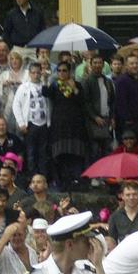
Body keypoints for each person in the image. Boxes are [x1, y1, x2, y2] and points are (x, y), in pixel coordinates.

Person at [43, 61, 87, 189]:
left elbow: (82, 101)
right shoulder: (55, 85)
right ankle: (61, 180)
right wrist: (45, 79)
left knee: (75, 153)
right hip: (59, 124)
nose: (62, 73)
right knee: (60, 153)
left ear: (69, 72)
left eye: (64, 70)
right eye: (59, 70)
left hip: (75, 125)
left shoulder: (77, 84)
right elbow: (46, 93)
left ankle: (76, 179)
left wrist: (74, 89)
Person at [12, 62, 51, 177]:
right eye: (33, 73)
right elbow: (16, 105)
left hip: (43, 123)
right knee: (30, 152)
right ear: (29, 73)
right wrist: (21, 123)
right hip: (30, 124)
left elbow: (50, 104)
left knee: (43, 152)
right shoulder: (23, 87)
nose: (36, 75)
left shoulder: (45, 86)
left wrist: (49, 122)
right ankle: (31, 177)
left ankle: (43, 177)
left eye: (38, 72)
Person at [114, 54, 138, 151]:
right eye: (132, 64)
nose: (135, 66)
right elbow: (120, 103)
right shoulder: (121, 81)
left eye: (136, 63)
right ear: (126, 65)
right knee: (130, 150)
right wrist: (127, 118)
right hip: (129, 123)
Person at [83, 55, 116, 167]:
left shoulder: (108, 81)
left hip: (106, 119)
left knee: (107, 148)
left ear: (103, 65)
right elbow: (85, 102)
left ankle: (106, 174)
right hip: (93, 121)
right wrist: (95, 117)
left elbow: (112, 101)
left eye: (100, 63)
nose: (97, 65)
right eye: (95, 63)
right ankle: (94, 176)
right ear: (91, 65)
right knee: (95, 150)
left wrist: (112, 117)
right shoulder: (87, 81)